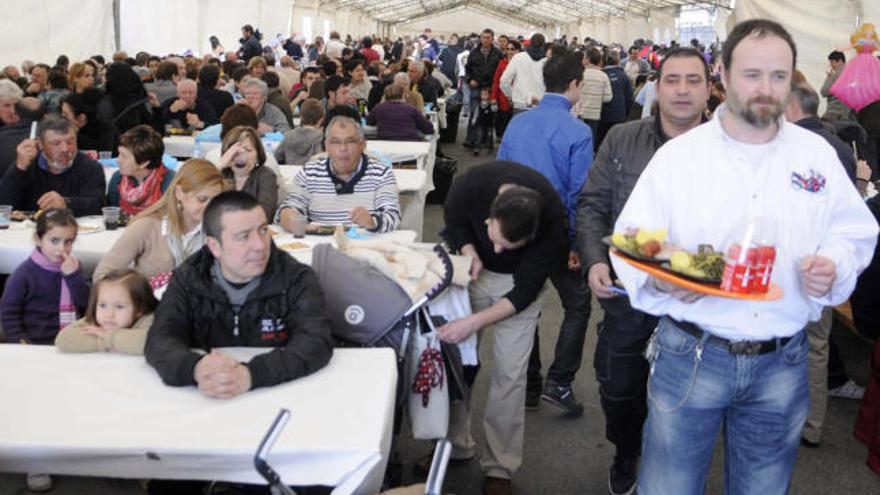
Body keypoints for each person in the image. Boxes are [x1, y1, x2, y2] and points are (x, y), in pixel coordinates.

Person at [610, 20, 878, 494]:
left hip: (782, 360)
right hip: (691, 354)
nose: (766, 88)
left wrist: (834, 264)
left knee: (762, 488)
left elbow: (853, 229)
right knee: (667, 486)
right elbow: (634, 238)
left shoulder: (814, 155)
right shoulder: (682, 158)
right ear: (724, 74)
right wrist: (664, 276)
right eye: (752, 74)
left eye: (779, 76)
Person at [577, 46, 711, 495]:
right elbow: (594, 203)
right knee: (619, 385)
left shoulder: (729, 151)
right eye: (673, 79)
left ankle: (670, 466)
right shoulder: (622, 138)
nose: (682, 90)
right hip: (628, 296)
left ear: (710, 89)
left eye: (694, 80)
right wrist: (596, 259)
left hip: (697, 302)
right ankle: (626, 451)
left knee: (689, 396)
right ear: (657, 85)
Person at [439, 161, 569, 495]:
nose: (496, 249)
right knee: (458, 364)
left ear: (531, 235)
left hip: (518, 285)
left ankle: (500, 466)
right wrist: (471, 250)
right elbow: (453, 222)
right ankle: (454, 445)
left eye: (506, 246)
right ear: (491, 213)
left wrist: (472, 322)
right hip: (472, 272)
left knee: (510, 375)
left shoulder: (552, 219)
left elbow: (523, 293)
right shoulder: (472, 184)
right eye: (493, 238)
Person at [144, 189, 333, 396]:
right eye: (243, 236)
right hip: (204, 397)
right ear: (215, 246)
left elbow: (316, 341)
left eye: (263, 230)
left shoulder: (295, 278)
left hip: (278, 394)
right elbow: (160, 339)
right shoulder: (189, 279)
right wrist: (196, 369)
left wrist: (251, 374)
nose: (260, 246)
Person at [499, 51, 593, 414]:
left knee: (526, 305)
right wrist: (576, 243)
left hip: (519, 229)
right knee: (579, 304)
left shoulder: (518, 124)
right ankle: (560, 382)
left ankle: (529, 382)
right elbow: (578, 192)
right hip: (557, 232)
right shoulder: (578, 131)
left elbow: (502, 178)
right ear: (574, 85)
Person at [0, 208, 89, 493]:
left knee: (68, 400)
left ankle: (64, 446)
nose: (61, 248)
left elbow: (86, 304)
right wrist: (20, 342)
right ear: (38, 240)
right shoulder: (25, 273)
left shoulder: (74, 268)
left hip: (68, 342)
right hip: (35, 347)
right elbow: (9, 312)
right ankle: (35, 459)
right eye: (54, 240)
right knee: (36, 407)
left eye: (68, 241)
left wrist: (74, 277)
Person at [93, 159, 226, 281]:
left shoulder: (221, 231)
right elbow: (102, 275)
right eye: (202, 199)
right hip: (149, 305)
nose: (210, 207)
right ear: (179, 193)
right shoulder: (147, 226)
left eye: (216, 201)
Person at [277, 116, 400, 233]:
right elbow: (290, 207)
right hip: (318, 248)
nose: (343, 148)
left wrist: (372, 221)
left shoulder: (382, 173)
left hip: (366, 248)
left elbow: (393, 216)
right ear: (326, 146)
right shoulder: (309, 173)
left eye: (350, 141)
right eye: (335, 142)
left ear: (362, 145)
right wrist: (288, 215)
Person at [0, 114, 105, 216]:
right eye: (56, 143)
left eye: (70, 142)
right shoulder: (27, 165)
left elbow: (98, 204)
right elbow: (4, 205)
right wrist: (19, 168)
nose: (65, 149)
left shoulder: (90, 167)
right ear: (40, 144)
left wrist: (66, 203)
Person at [55, 269, 158, 355]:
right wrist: (108, 342)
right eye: (102, 305)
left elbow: (146, 343)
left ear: (139, 309)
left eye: (119, 306)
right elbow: (63, 340)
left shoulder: (148, 319)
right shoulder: (96, 320)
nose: (108, 314)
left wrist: (106, 336)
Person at [107, 124, 175, 216]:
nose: (118, 160)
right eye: (119, 154)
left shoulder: (169, 182)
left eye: (124, 156)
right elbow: (112, 214)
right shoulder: (117, 179)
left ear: (144, 163)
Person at [215, 125, 278, 220]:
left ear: (257, 155)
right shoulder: (220, 174)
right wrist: (218, 166)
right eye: (235, 151)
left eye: (248, 150)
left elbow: (265, 213)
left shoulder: (266, 175)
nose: (241, 156)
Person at [464, 29, 503, 148]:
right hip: (476, 88)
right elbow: (467, 69)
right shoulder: (474, 52)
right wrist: (470, 79)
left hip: (490, 88)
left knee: (488, 115)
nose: (485, 40)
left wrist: (495, 86)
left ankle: (487, 141)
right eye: (483, 37)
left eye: (488, 37)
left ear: (492, 39)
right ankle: (471, 140)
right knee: (474, 113)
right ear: (480, 38)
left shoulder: (498, 53)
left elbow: (500, 71)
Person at [366, 83, 434, 141]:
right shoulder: (411, 109)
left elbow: (368, 122)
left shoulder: (378, 108)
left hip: (385, 143)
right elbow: (429, 128)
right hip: (409, 143)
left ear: (385, 96)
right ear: (402, 95)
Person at [500, 33, 547, 114]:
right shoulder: (547, 61)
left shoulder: (518, 58)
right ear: (543, 45)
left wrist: (512, 95)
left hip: (520, 105)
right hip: (540, 106)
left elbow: (504, 81)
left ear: (530, 43)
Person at [597, 51, 633, 150]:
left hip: (602, 116)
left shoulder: (601, 75)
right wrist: (627, 114)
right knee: (618, 143)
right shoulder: (624, 76)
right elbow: (629, 97)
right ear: (618, 60)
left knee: (603, 143)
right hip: (619, 115)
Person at [579, 48, 613, 148]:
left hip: (579, 114)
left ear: (587, 60)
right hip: (594, 115)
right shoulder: (603, 76)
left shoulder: (580, 74)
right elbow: (608, 98)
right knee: (590, 143)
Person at [275, 98, 324, 165]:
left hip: (289, 174)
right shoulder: (321, 138)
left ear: (301, 117)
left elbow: (276, 156)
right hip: (310, 173)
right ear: (321, 120)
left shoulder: (288, 136)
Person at [820, 51, 855, 122]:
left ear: (840, 61)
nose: (831, 65)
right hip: (847, 115)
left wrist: (829, 78)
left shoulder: (836, 75)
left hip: (833, 114)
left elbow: (824, 92)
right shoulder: (853, 73)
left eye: (832, 62)